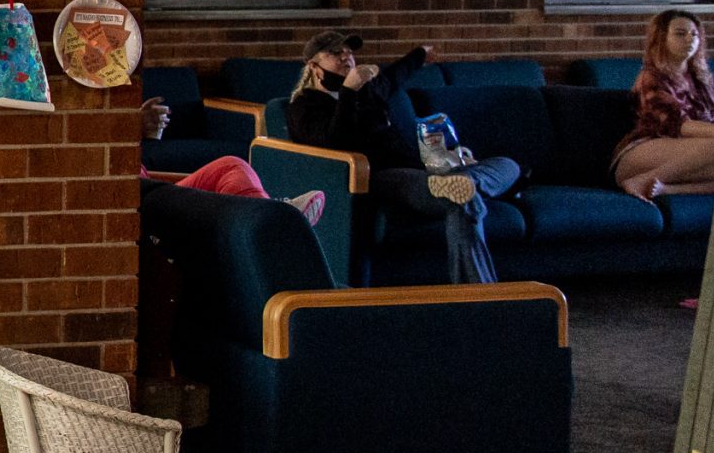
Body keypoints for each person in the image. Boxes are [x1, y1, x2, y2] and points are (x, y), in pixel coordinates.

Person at [287, 30, 519, 284]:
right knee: (463, 201)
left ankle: (469, 182)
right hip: (382, 176)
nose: (346, 58)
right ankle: (480, 291)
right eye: (335, 53)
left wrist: (420, 54)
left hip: (421, 169)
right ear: (314, 66)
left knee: (508, 165)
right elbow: (336, 143)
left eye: (349, 52)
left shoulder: (368, 93)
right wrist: (348, 92)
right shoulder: (305, 106)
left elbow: (395, 75)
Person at [142, 96, 322, 223]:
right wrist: (133, 124)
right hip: (142, 201)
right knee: (231, 183)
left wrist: (138, 131)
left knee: (231, 166)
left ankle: (270, 213)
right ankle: (274, 215)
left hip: (148, 188)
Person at [614, 9, 714, 200]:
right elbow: (678, 125)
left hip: (693, 151)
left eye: (694, 34)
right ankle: (643, 180)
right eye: (680, 33)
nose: (690, 39)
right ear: (662, 38)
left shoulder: (701, 80)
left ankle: (666, 189)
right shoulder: (651, 77)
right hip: (645, 150)